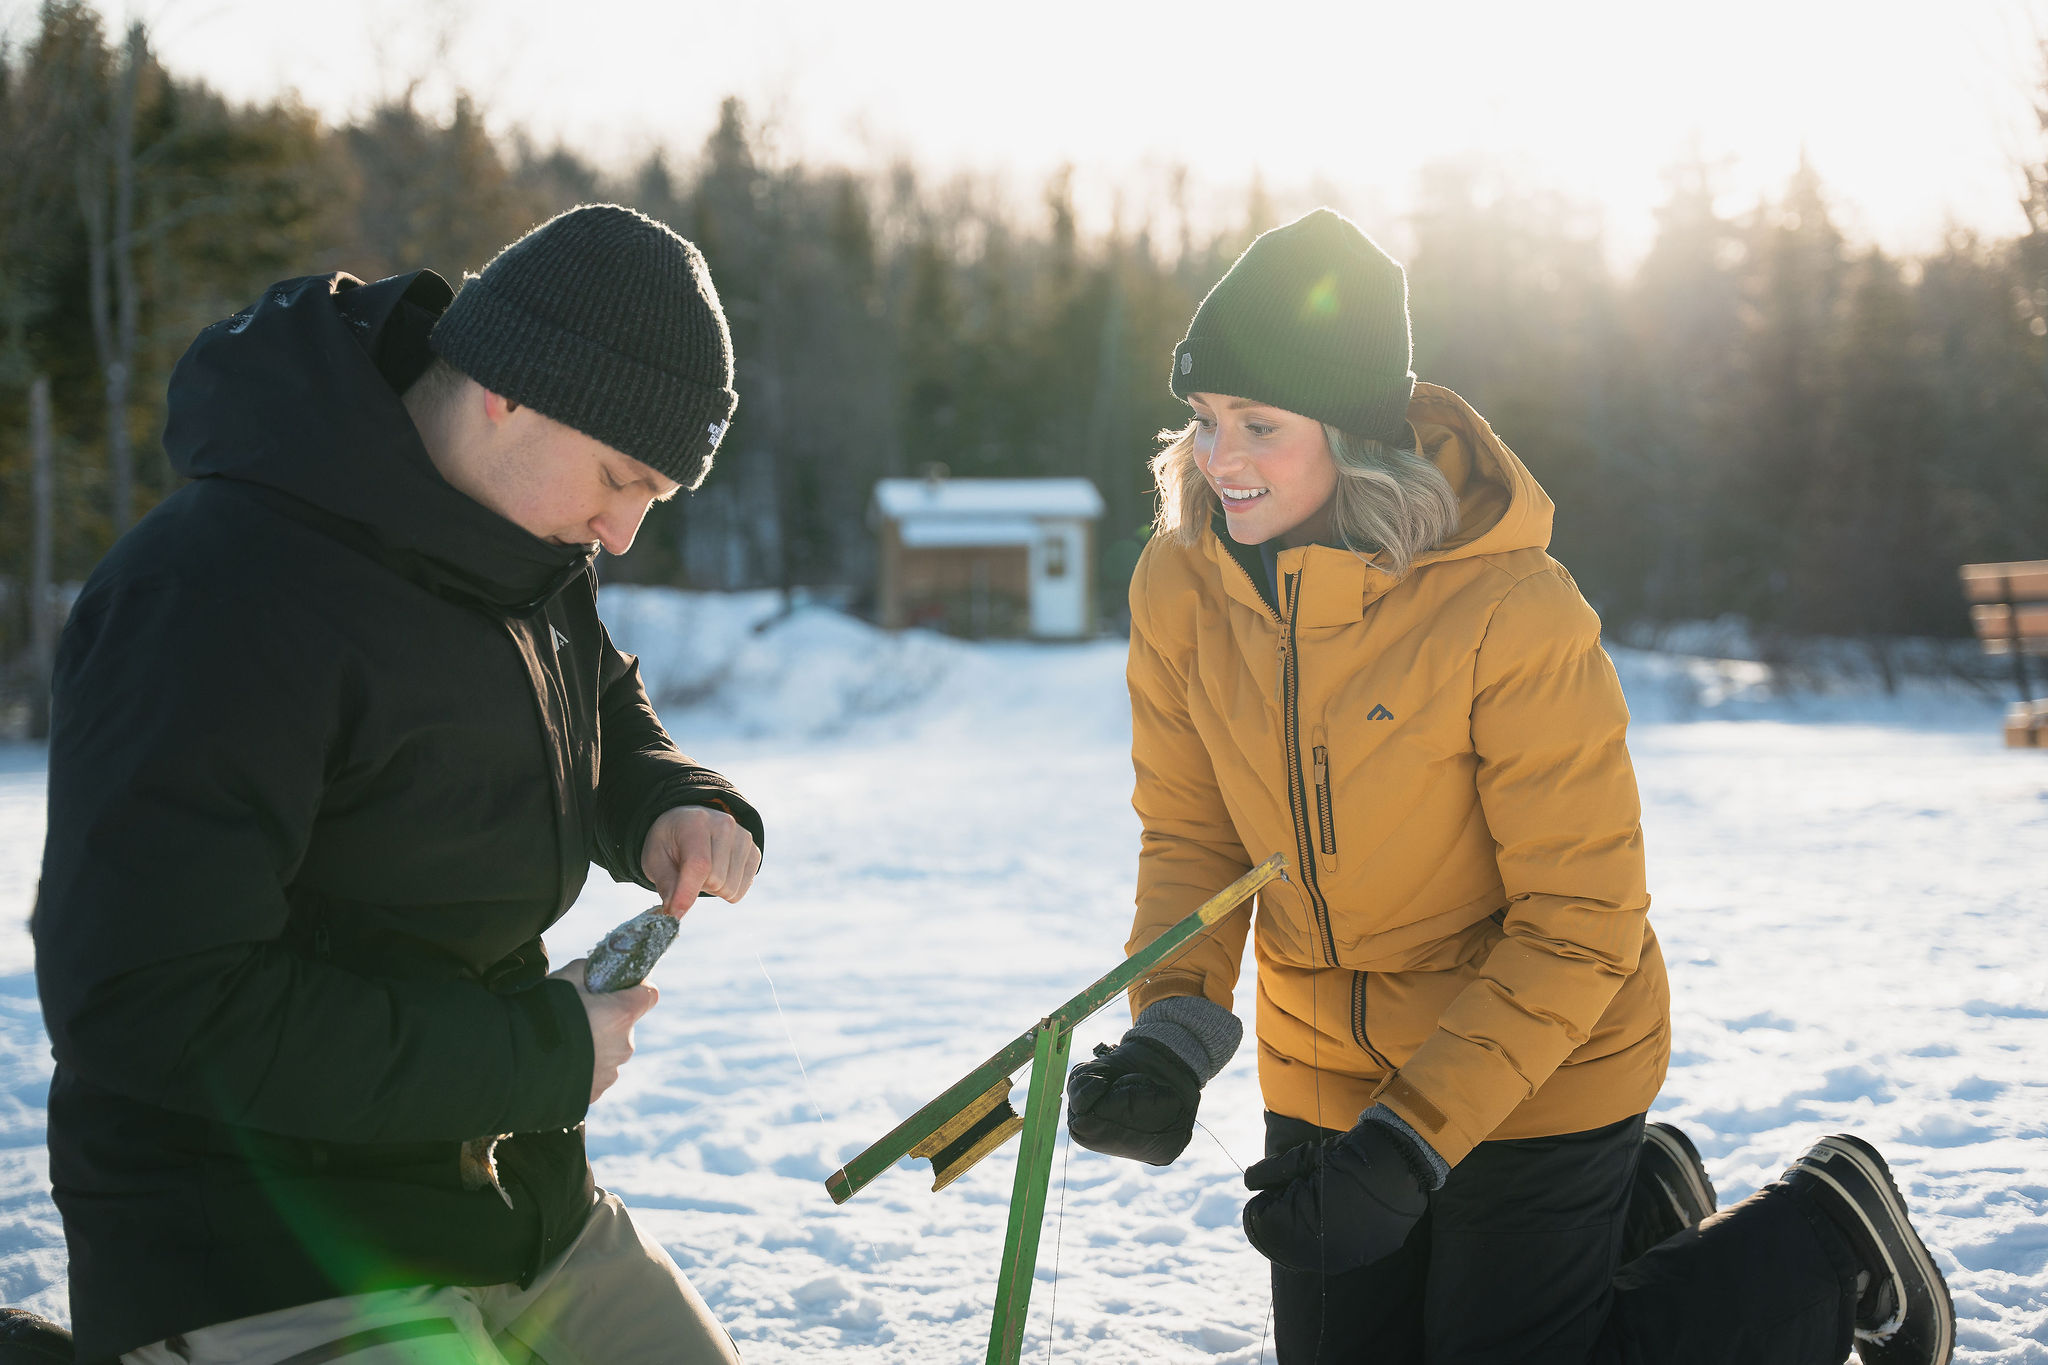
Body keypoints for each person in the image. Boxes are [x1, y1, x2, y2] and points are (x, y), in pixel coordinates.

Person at [1065, 208, 1954, 1365]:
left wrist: (1411, 1142)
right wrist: (1173, 1029)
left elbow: (1581, 923)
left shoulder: (1506, 607)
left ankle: (1825, 1236)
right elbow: (1191, 831)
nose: (1217, 460)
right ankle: (1633, 1212)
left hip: (1541, 1055)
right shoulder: (1179, 582)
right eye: (1203, 418)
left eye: (1259, 425)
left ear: (1351, 431)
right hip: (1324, 1064)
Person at [34, 204, 764, 1364]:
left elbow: (592, 698)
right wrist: (538, 1055)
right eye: (621, 479)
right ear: (508, 389)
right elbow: (148, 1000)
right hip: (256, 1238)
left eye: (655, 500)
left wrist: (666, 797)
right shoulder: (215, 597)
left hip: (511, 1199)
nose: (622, 535)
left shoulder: (521, 542)